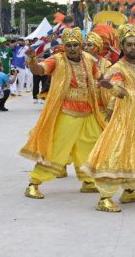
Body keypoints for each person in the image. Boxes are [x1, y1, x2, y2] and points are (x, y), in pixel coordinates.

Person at [82, 24, 135, 213]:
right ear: (122, 46)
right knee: (118, 151)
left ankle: (129, 190)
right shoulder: (118, 68)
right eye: (128, 45)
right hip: (126, 119)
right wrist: (109, 86)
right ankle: (105, 197)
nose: (132, 48)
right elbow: (120, 91)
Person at [20, 28, 107, 198]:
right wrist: (31, 59)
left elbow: (99, 76)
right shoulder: (57, 60)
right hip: (68, 111)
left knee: (92, 146)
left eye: (76, 45)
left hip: (88, 111)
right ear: (64, 46)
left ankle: (88, 181)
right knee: (57, 149)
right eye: (69, 45)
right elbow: (39, 70)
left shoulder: (88, 59)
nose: (73, 48)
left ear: (81, 46)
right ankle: (34, 183)